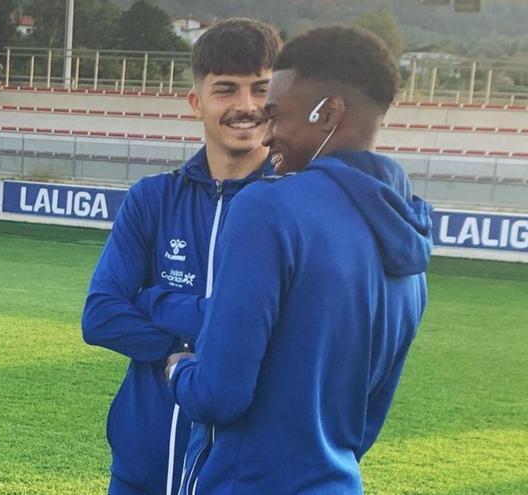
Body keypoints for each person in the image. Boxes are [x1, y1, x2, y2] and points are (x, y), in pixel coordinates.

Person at [166, 26, 432, 494]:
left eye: (277, 116)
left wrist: (178, 366)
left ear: (328, 113)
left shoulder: (268, 208)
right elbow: (365, 423)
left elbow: (218, 396)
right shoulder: (410, 241)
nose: (266, 139)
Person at [82, 18, 281, 495]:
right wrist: (183, 351)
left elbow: (286, 333)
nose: (246, 106)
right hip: (141, 467)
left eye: (260, 89)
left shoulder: (291, 205)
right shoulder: (152, 198)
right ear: (196, 102)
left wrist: (158, 301)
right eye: (226, 89)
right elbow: (101, 315)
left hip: (241, 474)